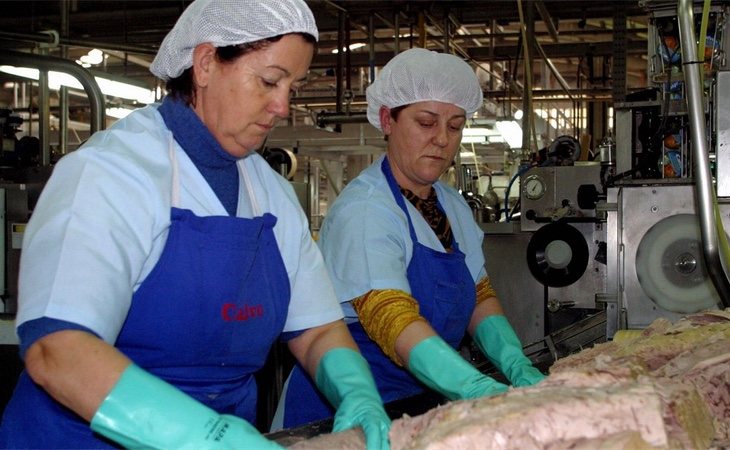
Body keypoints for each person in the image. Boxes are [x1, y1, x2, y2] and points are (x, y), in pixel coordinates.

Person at [0, 1, 390, 449]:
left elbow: (317, 328)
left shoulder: (272, 195)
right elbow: (58, 350)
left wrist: (358, 395)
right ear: (205, 64)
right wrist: (207, 435)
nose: (283, 106)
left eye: (293, 86)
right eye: (269, 80)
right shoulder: (111, 173)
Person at [275, 48, 545, 429]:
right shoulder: (366, 210)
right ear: (387, 120)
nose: (441, 139)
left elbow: (478, 294)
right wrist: (471, 385)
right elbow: (391, 317)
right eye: (426, 122)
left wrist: (516, 363)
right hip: (345, 412)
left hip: (421, 396)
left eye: (454, 126)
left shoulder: (451, 204)